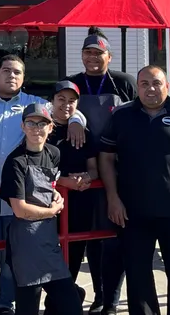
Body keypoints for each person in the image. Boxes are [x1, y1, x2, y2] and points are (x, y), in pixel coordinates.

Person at [0, 55, 81, 315]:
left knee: (12, 260)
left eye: (17, 72)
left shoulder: (35, 105)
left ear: (23, 78)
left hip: (22, 202)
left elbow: (65, 107)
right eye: (6, 70)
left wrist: (76, 121)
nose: (11, 76)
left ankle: (6, 303)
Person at [99, 66, 170, 315]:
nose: (150, 89)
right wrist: (113, 198)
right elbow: (106, 158)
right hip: (132, 214)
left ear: (167, 86)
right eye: (144, 84)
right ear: (137, 87)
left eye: (156, 83)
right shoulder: (121, 117)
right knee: (138, 279)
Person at [62, 27, 133, 315]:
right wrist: (75, 118)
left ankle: (109, 299)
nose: (93, 58)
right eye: (88, 52)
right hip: (84, 173)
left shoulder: (124, 82)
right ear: (81, 55)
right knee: (83, 238)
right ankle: (80, 295)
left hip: (117, 171)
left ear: (109, 56)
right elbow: (59, 107)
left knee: (113, 238)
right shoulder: (73, 83)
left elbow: (137, 111)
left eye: (98, 53)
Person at [0, 103, 84, 315]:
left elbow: (49, 182)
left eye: (42, 123)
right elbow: (20, 209)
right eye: (31, 123)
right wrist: (53, 210)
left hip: (48, 241)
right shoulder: (15, 162)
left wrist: (53, 193)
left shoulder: (53, 153)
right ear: (23, 127)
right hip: (25, 245)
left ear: (51, 127)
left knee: (71, 304)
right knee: (28, 307)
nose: (37, 128)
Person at [49, 80, 99, 294]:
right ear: (52, 101)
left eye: (72, 101)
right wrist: (62, 182)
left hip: (79, 204)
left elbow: (95, 168)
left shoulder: (85, 132)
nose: (66, 105)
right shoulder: (42, 129)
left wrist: (87, 177)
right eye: (61, 99)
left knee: (75, 253)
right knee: (48, 255)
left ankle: (67, 296)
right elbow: (32, 166)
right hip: (48, 204)